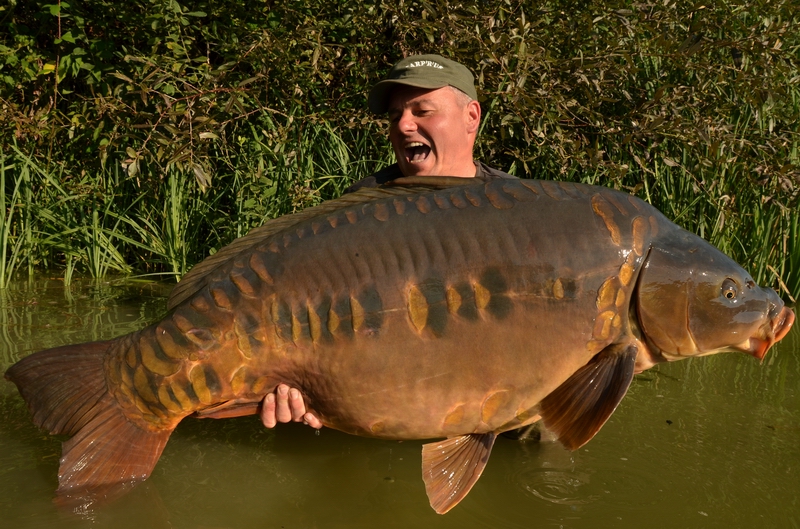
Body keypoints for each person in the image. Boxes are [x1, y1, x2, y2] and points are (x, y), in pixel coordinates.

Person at [259, 54, 516, 431]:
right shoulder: (364, 206)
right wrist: (302, 387)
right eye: (396, 115)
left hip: (499, 401)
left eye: (422, 111)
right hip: (384, 402)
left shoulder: (516, 208)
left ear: (471, 116)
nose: (404, 125)